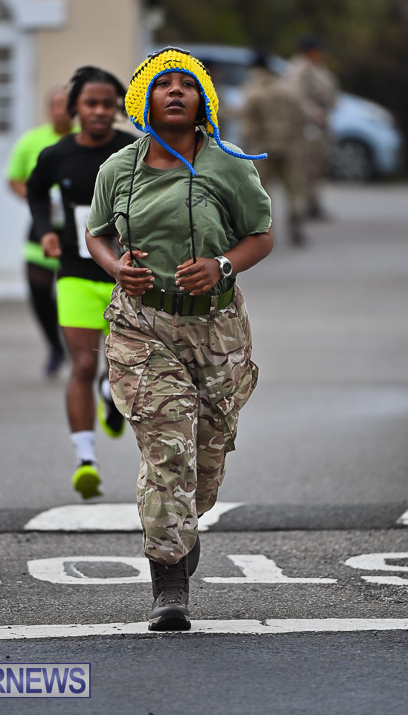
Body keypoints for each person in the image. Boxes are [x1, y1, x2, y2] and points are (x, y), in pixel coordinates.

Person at [85, 47, 273, 631]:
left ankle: (181, 524)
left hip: (217, 329)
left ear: (202, 102)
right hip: (142, 326)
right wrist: (117, 267)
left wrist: (222, 265)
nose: (173, 92)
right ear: (144, 98)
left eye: (185, 85)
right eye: (161, 84)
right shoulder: (118, 168)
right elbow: (95, 235)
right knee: (168, 449)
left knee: (206, 461)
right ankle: (169, 583)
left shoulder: (231, 166)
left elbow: (260, 236)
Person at [27, 66, 136, 499]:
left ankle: (112, 396)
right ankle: (85, 461)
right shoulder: (56, 155)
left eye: (108, 104)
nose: (99, 111)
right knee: (84, 364)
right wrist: (45, 230)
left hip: (127, 274)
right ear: (74, 109)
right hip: (74, 272)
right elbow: (36, 192)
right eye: (91, 103)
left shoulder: (133, 151)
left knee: (123, 363)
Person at [7, 87, 75, 377]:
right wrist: (37, 198)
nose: (60, 111)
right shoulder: (32, 140)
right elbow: (15, 179)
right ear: (48, 109)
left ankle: (83, 349)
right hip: (42, 227)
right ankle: (55, 346)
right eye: (55, 105)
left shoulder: (86, 138)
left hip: (78, 230)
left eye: (66, 105)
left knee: (74, 292)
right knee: (39, 295)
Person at [241, 51, 308, 246]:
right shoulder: (289, 90)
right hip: (291, 145)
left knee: (262, 190)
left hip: (264, 147)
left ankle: (263, 229)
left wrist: (247, 142)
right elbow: (302, 115)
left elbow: (248, 122)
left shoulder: (254, 92)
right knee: (294, 189)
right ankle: (296, 225)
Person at [284, 34, 339, 219]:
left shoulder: (318, 69)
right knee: (304, 166)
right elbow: (297, 97)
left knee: (318, 165)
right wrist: (314, 113)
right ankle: (301, 205)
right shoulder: (299, 69)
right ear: (310, 51)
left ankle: (314, 202)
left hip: (320, 125)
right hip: (305, 126)